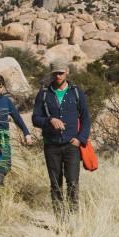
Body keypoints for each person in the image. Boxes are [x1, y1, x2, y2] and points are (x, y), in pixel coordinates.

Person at [31, 63, 91, 220]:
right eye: (55, 73)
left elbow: (85, 117)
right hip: (51, 145)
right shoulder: (44, 94)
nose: (58, 76)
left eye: (61, 73)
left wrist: (80, 139)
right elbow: (35, 118)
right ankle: (60, 218)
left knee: (72, 182)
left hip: (72, 145)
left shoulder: (76, 93)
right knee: (55, 184)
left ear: (67, 72)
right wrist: (49, 120)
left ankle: (73, 217)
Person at [0, 73, 34, 185]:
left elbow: (17, 117)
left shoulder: (6, 101)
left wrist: (26, 133)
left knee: (5, 165)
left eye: (0, 87)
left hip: (3, 138)